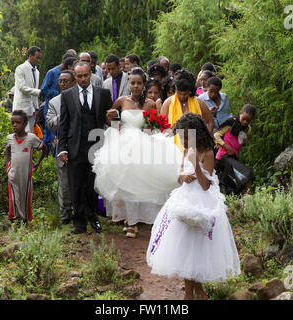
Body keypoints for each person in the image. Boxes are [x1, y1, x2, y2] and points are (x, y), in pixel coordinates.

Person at [146, 113, 241, 300]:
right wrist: (182, 176)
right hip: (184, 201)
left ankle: (190, 295)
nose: (184, 140)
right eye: (181, 136)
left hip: (201, 205)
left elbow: (207, 185)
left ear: (197, 133)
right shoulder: (185, 149)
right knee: (187, 249)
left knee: (195, 249)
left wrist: (196, 165)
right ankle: (195, 292)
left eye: (187, 137)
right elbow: (180, 176)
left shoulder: (207, 153)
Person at [93, 69, 183, 238]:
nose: (135, 86)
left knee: (139, 181)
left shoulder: (150, 103)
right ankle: (128, 219)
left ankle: (136, 220)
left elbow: (155, 125)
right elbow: (109, 119)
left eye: (139, 83)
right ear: (129, 84)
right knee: (124, 180)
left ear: (144, 85)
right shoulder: (121, 100)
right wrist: (111, 118)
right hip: (123, 143)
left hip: (142, 143)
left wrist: (154, 131)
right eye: (132, 83)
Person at [57, 62, 114, 234]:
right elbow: (63, 124)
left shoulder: (103, 94)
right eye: (79, 76)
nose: (82, 79)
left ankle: (93, 217)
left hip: (96, 146)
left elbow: (109, 121)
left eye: (85, 75)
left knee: (92, 185)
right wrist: (62, 148)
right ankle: (79, 222)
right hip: (75, 146)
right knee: (76, 185)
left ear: (91, 74)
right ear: (75, 77)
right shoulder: (67, 95)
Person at [45, 70, 77, 224]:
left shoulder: (80, 98)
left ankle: (80, 213)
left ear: (73, 82)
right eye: (61, 81)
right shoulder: (54, 102)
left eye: (66, 81)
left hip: (79, 145)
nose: (63, 84)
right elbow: (50, 124)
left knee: (79, 181)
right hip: (62, 147)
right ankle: (65, 215)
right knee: (64, 184)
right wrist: (64, 113)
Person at [6, 110, 47, 222]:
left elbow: (44, 148)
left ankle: (24, 219)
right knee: (14, 197)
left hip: (26, 174)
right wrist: (7, 165)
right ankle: (15, 219)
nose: (15, 125)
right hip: (13, 173)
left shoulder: (31, 138)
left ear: (25, 123)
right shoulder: (10, 138)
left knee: (25, 196)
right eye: (13, 123)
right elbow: (8, 150)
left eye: (18, 122)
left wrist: (37, 164)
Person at [160, 70, 214, 151]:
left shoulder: (199, 103)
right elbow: (161, 126)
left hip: (196, 147)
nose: (182, 96)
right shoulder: (168, 103)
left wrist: (204, 139)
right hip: (173, 148)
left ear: (190, 91)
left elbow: (210, 122)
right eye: (179, 93)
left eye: (185, 94)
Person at [215, 104, 256, 195]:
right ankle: (250, 199)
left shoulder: (247, 129)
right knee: (247, 174)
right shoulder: (231, 123)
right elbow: (216, 135)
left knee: (235, 183)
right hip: (223, 157)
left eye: (248, 121)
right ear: (240, 114)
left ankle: (240, 201)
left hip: (233, 158)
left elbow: (239, 143)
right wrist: (227, 147)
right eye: (243, 119)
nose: (245, 122)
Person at [12, 46, 42, 133]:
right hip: (21, 108)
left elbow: (34, 90)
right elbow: (22, 88)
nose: (38, 60)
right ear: (30, 56)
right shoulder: (20, 69)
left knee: (30, 135)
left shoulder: (37, 72)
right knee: (23, 134)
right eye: (37, 58)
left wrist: (36, 108)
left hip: (32, 109)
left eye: (39, 58)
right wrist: (39, 92)